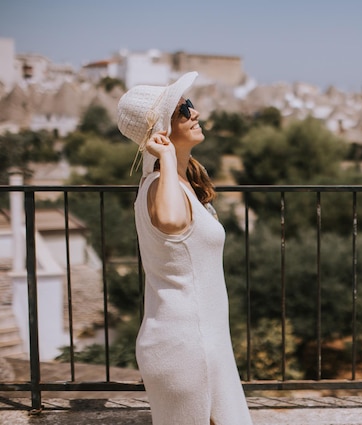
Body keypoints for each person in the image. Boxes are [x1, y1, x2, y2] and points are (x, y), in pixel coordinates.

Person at [117, 72, 253, 425]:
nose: (194, 113)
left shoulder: (177, 183)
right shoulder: (161, 185)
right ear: (161, 132)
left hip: (201, 343)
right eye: (182, 110)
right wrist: (165, 158)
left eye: (190, 106)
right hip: (186, 347)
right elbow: (172, 223)